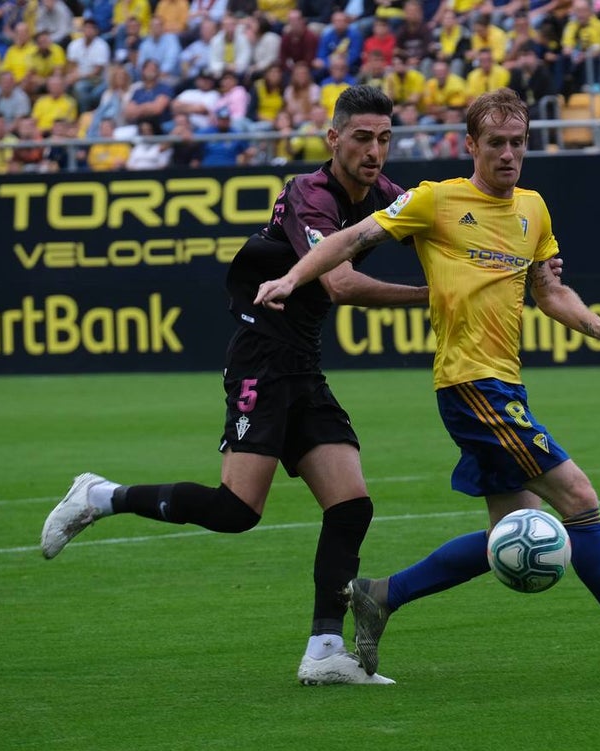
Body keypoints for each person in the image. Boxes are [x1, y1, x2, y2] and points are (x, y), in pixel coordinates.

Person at [253, 88, 600, 681]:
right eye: (495, 143)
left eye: (517, 143)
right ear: (470, 145)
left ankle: (382, 594)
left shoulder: (535, 209)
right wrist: (294, 277)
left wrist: (597, 325)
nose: (507, 154)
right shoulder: (436, 201)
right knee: (576, 497)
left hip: (505, 385)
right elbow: (350, 240)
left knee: (513, 529)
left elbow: (548, 291)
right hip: (471, 384)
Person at [39, 87, 431, 686]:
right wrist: (440, 295)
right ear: (334, 139)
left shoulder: (381, 194)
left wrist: (503, 264)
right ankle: (99, 496)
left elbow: (439, 228)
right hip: (262, 359)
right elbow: (343, 285)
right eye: (361, 138)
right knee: (235, 512)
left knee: (351, 506)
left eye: (383, 138)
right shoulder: (311, 193)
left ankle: (324, 651)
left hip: (302, 362)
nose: (374, 150)